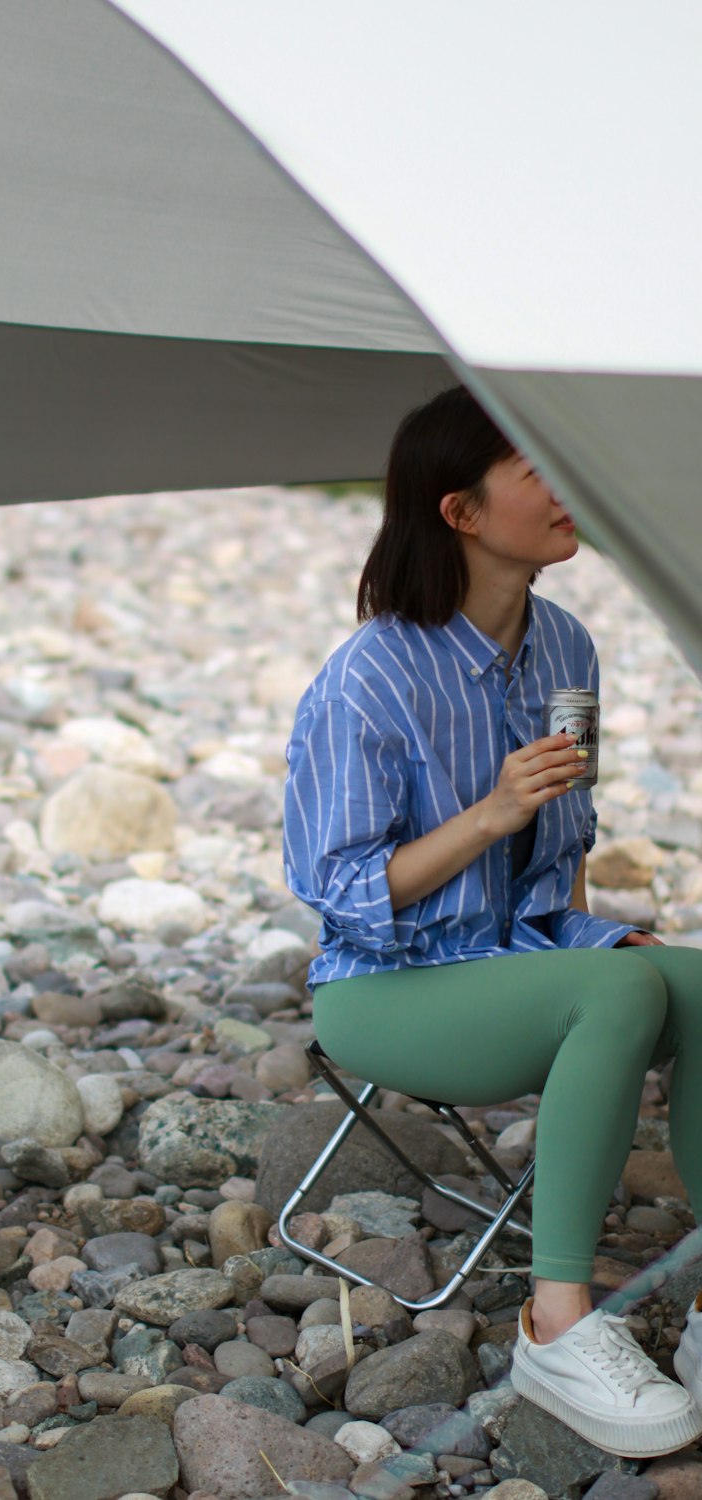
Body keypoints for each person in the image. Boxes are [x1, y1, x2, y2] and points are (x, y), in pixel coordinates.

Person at [283, 384, 702, 1457]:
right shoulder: (366, 676)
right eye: (534, 469)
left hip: (519, 954)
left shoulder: (563, 647)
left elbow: (554, 863)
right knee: (619, 987)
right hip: (385, 988)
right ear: (460, 511)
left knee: (686, 978)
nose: (566, 489)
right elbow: (339, 895)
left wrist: (587, 940)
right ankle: (555, 1325)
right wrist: (491, 814)